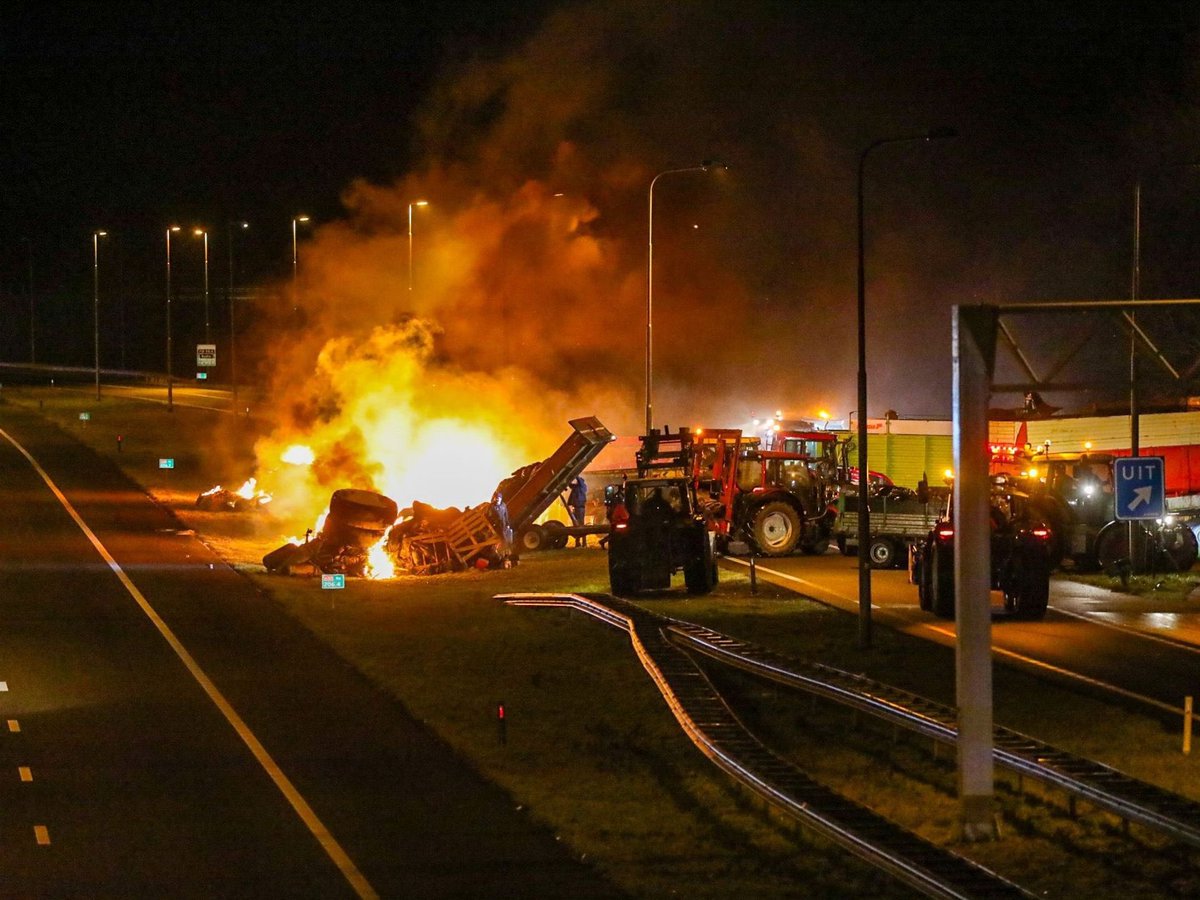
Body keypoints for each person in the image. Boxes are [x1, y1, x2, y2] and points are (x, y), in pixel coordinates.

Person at [567, 476, 588, 547]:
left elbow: (579, 481)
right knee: (577, 525)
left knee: (580, 524)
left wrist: (575, 475)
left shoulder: (582, 487)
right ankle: (578, 542)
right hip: (577, 508)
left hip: (580, 508)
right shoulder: (576, 488)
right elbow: (570, 485)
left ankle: (583, 542)